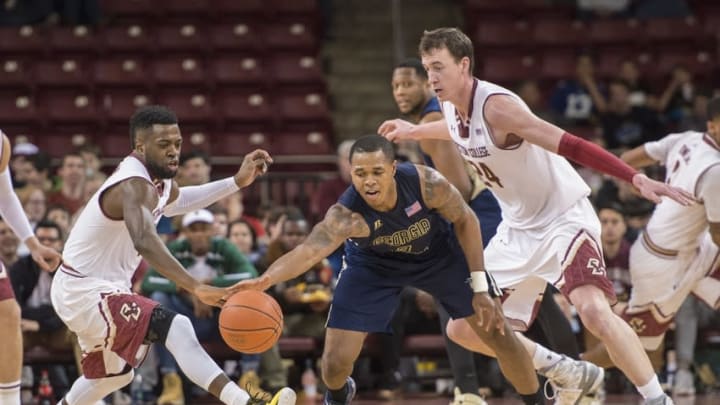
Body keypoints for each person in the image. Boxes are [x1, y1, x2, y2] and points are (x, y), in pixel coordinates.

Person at [378, 28, 694, 405]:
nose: (431, 78)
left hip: (563, 218)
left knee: (593, 312)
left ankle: (658, 398)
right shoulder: (449, 104)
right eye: (428, 68)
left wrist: (634, 177)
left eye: (438, 68)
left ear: (464, 65)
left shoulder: (498, 107)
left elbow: (571, 144)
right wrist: (415, 130)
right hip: (517, 230)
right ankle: (567, 370)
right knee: (464, 328)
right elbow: (454, 129)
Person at [233, 135, 605, 405]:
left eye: (377, 171)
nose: (369, 181)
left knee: (500, 334)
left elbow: (468, 220)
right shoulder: (346, 214)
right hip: (372, 266)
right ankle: (337, 395)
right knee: (333, 363)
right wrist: (266, 279)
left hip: (439, 256)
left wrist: (479, 286)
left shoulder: (426, 183)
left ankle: (536, 402)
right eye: (360, 174)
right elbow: (309, 250)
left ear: (394, 168)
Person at [49, 106, 295, 405]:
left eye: (177, 143)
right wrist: (196, 286)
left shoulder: (157, 181)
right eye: (164, 145)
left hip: (98, 288)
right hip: (83, 289)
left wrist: (235, 182)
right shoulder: (134, 185)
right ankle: (243, 402)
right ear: (140, 147)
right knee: (176, 326)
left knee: (114, 377)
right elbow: (145, 240)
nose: (174, 151)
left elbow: (179, 200)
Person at [386, 58, 582, 404]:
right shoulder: (436, 116)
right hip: (492, 206)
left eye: (407, 83)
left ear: (425, 84)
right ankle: (577, 379)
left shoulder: (433, 118)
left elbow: (458, 189)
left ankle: (469, 390)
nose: (400, 92)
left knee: (457, 291)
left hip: (480, 210)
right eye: (395, 86)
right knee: (537, 295)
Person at [612, 96, 719, 395]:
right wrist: (628, 184)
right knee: (634, 339)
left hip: (692, 249)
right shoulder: (713, 170)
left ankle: (680, 374)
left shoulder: (684, 139)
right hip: (662, 262)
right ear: (711, 126)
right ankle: (577, 367)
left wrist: (626, 176)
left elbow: (634, 156)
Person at [142, 208, 261, 404]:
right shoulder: (175, 248)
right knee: (159, 298)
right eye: (193, 229)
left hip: (218, 322)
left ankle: (250, 377)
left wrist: (210, 287)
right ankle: (171, 382)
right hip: (183, 319)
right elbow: (149, 281)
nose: (198, 234)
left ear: (212, 230)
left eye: (203, 228)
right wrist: (185, 288)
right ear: (185, 232)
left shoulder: (224, 247)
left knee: (250, 302)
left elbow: (249, 276)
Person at [0, 129, 62, 405]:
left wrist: (34, 244)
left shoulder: (1, 143)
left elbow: (5, 197)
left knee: (8, 310)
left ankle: (9, 401)